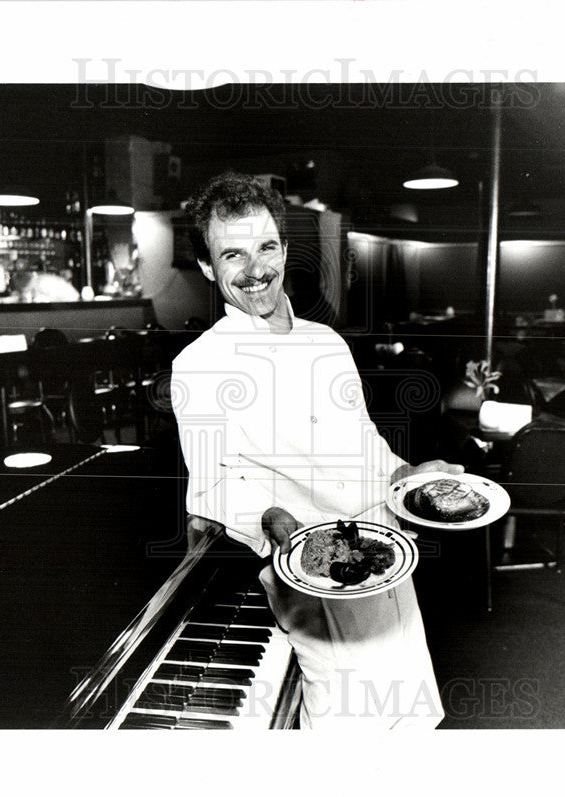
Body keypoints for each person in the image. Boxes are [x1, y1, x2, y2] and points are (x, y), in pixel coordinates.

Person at [171, 173, 457, 729]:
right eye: (232, 254)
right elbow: (212, 484)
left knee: (408, 724)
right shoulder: (199, 365)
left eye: (266, 247)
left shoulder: (328, 342)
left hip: (387, 553)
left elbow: (364, 442)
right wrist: (272, 517)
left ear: (283, 248)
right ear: (208, 268)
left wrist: (410, 473)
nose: (255, 270)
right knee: (341, 733)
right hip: (313, 571)